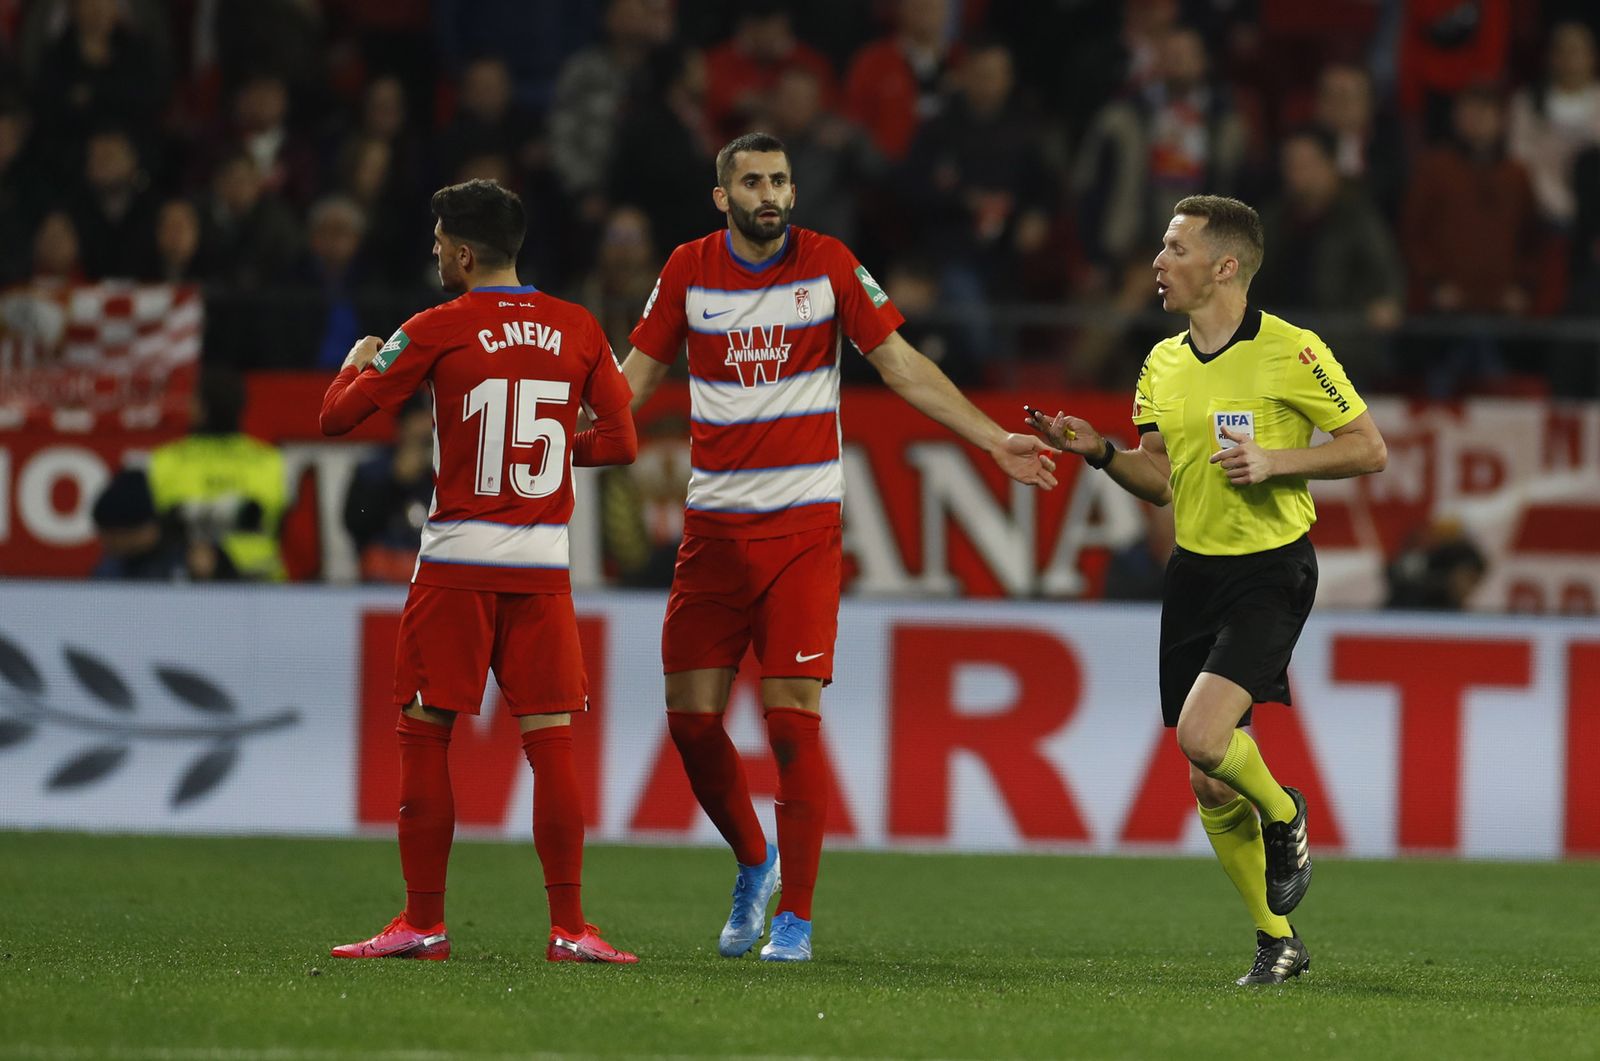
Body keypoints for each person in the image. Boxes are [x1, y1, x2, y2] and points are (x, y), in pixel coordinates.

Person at [619, 132, 1058, 963]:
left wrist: (992, 438)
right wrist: (560, 432)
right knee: (691, 726)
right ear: (723, 197)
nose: (770, 193)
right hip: (712, 531)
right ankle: (757, 861)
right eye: (752, 181)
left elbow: (900, 363)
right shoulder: (686, 270)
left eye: (780, 179)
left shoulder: (828, 264)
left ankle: (797, 919)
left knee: (791, 726)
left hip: (801, 529)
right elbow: (632, 381)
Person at [1027, 195, 1386, 986]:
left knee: (1200, 735)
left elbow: (1368, 449)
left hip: (1271, 567)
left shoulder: (1293, 352)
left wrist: (1276, 461)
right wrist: (1100, 450)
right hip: (1195, 571)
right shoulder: (1162, 361)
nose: (1158, 261)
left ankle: (1288, 812)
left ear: (1225, 265)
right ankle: (1277, 941)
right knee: (1207, 773)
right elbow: (1160, 481)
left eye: (1174, 246)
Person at [320, 178, 639, 964]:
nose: (432, 250)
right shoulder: (579, 326)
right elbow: (624, 441)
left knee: (424, 739)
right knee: (552, 745)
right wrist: (561, 447)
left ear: (463, 254)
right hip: (542, 569)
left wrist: (356, 364)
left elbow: (337, 419)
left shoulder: (435, 326)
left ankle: (423, 923)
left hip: (456, 566)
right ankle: (570, 928)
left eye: (437, 241)